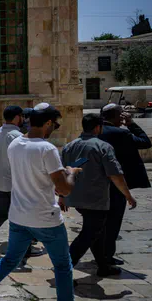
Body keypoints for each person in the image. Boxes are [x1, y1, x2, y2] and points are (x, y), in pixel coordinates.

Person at [0, 103, 81, 301]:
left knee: (10, 260)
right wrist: (71, 173)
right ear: (47, 123)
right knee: (63, 266)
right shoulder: (47, 149)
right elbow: (63, 188)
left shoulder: (16, 144)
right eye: (54, 125)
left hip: (19, 216)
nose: (54, 129)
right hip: (46, 218)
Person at [62, 113, 137, 277]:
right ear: (98, 127)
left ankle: (103, 266)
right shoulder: (103, 147)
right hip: (95, 199)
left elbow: (64, 172)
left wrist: (62, 196)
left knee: (97, 231)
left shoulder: (69, 146)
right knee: (89, 234)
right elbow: (115, 174)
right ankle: (64, 269)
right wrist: (128, 195)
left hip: (76, 197)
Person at [0, 106, 42, 259]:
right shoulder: (17, 136)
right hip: (13, 182)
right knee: (23, 214)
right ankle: (24, 249)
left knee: (4, 212)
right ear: (18, 117)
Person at [98, 103, 150, 266]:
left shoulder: (94, 133)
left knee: (98, 223)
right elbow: (145, 142)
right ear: (116, 116)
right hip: (116, 185)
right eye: (121, 113)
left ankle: (99, 256)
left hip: (96, 185)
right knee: (113, 222)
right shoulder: (121, 134)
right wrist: (131, 124)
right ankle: (106, 257)